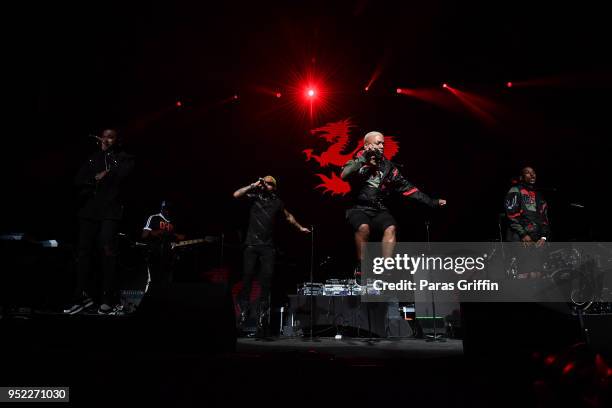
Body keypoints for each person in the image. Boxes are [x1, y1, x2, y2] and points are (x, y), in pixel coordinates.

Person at [341, 131, 446, 272]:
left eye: (383, 143)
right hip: (358, 208)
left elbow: (409, 189)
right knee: (363, 227)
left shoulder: (389, 168)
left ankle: (386, 268)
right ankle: (362, 266)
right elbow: (344, 175)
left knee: (391, 228)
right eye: (378, 143)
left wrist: (432, 202)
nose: (382, 146)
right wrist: (364, 158)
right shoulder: (358, 160)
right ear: (367, 145)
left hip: (377, 208)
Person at [64, 129, 135, 315]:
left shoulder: (125, 158)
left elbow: (121, 175)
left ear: (118, 140)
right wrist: (95, 178)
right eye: (104, 136)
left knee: (107, 250)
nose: (105, 139)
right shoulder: (92, 158)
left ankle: (107, 299)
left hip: (110, 211)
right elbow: (78, 180)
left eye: (110, 136)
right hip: (89, 211)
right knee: (83, 254)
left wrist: (108, 159)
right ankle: (80, 298)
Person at [233, 175, 310, 336]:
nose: (264, 185)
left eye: (268, 183)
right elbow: (236, 195)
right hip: (251, 245)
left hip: (268, 247)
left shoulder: (277, 202)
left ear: (274, 187)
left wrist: (300, 227)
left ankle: (262, 320)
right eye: (263, 182)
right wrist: (253, 184)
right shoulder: (253, 197)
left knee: (266, 282)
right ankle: (243, 316)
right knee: (246, 279)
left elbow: (288, 217)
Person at [141, 200, 186, 291]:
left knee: (167, 282)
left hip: (169, 257)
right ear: (162, 208)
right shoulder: (154, 217)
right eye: (166, 209)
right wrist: (156, 232)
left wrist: (175, 236)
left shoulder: (174, 222)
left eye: (170, 209)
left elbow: (180, 237)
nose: (168, 211)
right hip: (155, 255)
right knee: (153, 281)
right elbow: (144, 235)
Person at [504, 166, 550, 245]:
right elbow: (511, 215)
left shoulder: (539, 195)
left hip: (537, 239)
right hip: (520, 238)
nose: (532, 175)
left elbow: (544, 217)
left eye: (533, 173)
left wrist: (543, 237)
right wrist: (523, 234)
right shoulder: (516, 190)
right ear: (521, 177)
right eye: (528, 173)